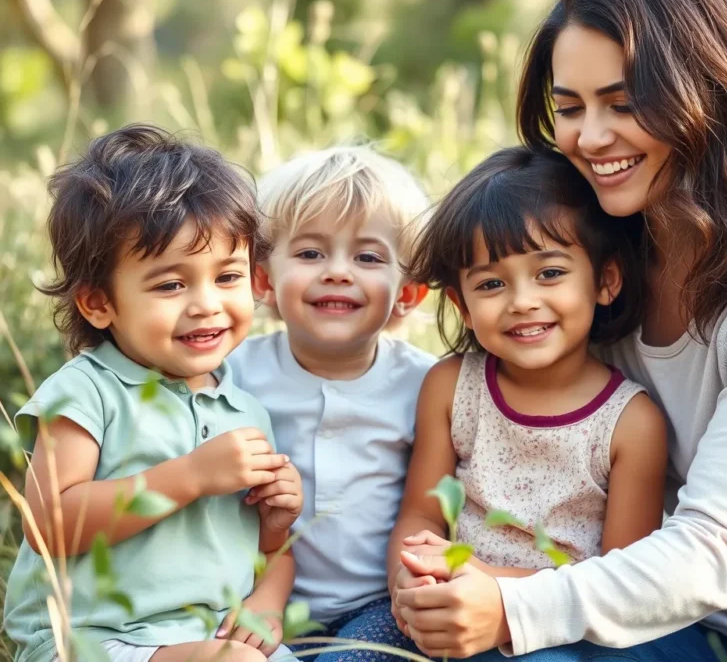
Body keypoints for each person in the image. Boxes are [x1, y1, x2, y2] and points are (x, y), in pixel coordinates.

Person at [393, 0, 727, 661]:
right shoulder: (592, 256)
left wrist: (509, 605)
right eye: (569, 108)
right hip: (663, 620)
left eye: (624, 103)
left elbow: (716, 552)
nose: (589, 137)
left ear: (707, 93)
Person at [4, 125, 303, 662]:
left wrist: (272, 559)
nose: (206, 304)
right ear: (99, 304)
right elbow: (50, 524)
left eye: (227, 276)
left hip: (207, 634)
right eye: (171, 285)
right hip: (90, 637)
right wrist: (188, 477)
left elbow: (268, 553)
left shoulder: (244, 409)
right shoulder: (86, 393)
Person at [389, 146, 667, 633]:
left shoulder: (631, 424)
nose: (522, 301)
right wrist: (410, 582)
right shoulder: (453, 387)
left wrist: (486, 584)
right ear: (462, 305)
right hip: (445, 604)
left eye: (550, 273)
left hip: (562, 630)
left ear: (605, 280)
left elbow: (623, 583)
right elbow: (420, 516)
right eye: (491, 285)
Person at [227, 147, 436, 660]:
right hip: (247, 596)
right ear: (263, 281)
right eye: (310, 253)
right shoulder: (233, 374)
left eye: (367, 257)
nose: (337, 272)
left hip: (375, 607)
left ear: (408, 293)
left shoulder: (427, 384)